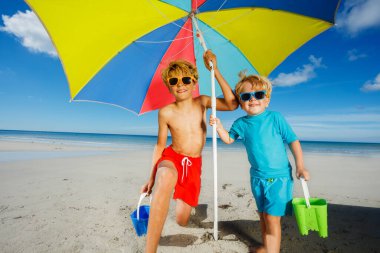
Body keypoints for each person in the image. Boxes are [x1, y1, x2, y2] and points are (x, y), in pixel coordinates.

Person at [141, 50, 238, 253]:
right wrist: (152, 177)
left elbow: (232, 104)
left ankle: (190, 206)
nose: (180, 84)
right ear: (169, 86)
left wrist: (215, 70)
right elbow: (160, 146)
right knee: (165, 176)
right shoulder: (166, 112)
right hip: (172, 158)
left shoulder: (202, 102)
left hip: (193, 164)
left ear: (194, 82)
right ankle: (149, 250)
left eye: (186, 79)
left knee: (182, 220)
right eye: (174, 81)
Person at [209, 73, 310, 253]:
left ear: (267, 100)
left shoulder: (275, 118)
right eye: (246, 96)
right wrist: (218, 127)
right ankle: (266, 247)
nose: (253, 99)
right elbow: (228, 139)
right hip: (257, 178)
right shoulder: (241, 123)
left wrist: (300, 166)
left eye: (259, 95)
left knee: (272, 218)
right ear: (240, 102)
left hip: (280, 178)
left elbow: (293, 141)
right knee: (263, 216)